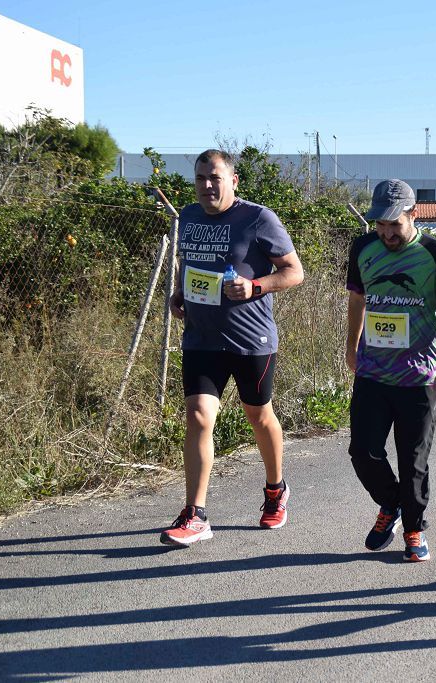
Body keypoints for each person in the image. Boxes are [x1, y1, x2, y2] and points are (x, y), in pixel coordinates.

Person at [162, 149, 304, 546]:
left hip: (250, 339)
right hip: (201, 338)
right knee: (198, 415)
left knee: (258, 416)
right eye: (201, 178)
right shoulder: (188, 216)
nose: (208, 185)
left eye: (215, 178)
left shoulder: (258, 218)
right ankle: (196, 514)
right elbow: (187, 261)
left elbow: (295, 271)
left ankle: (276, 489)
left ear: (233, 180)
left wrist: (256, 286)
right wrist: (179, 292)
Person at [345, 179, 436, 562]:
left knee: (412, 459)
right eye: (379, 225)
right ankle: (391, 504)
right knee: (363, 452)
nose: (385, 233)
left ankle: (414, 529)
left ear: (413, 214)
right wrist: (351, 347)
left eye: (393, 225)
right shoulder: (363, 248)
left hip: (420, 376)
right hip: (373, 371)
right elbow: (357, 298)